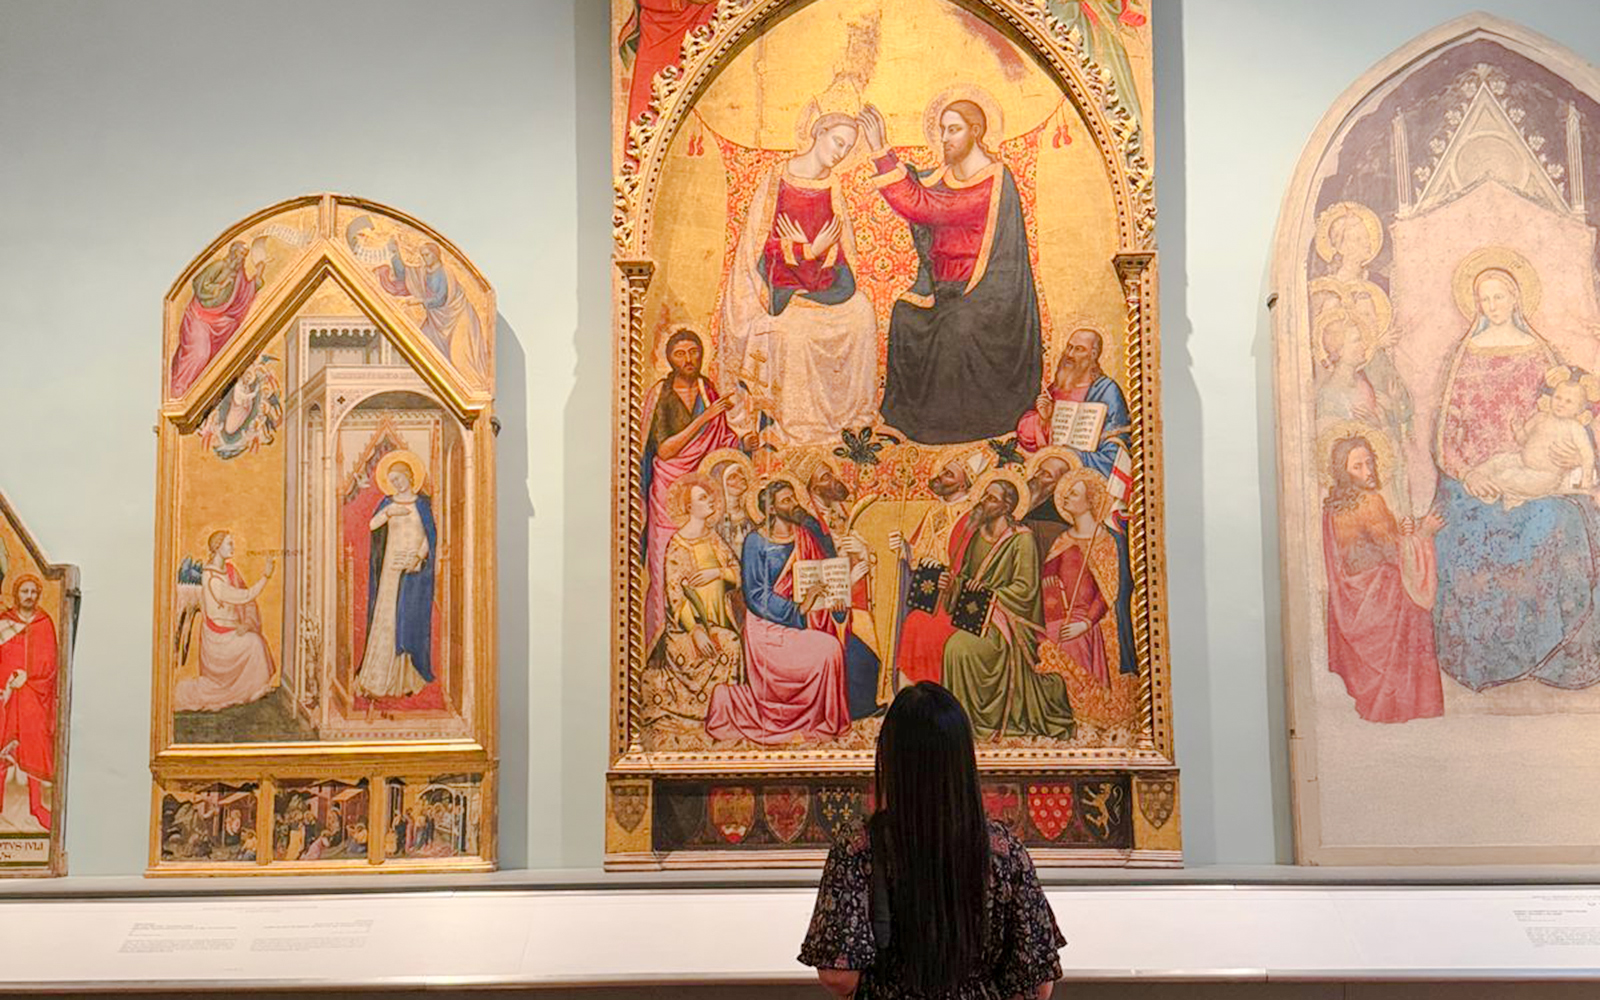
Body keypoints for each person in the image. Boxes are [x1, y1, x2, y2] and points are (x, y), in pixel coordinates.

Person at [800, 682, 1064, 1000]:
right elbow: (1038, 984)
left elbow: (838, 974)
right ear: (963, 757)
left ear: (890, 755)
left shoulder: (860, 847)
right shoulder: (1003, 849)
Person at [1430, 263, 1600, 691]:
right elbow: (1445, 435)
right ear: (1476, 304)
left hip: (1535, 473)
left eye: (1500, 296)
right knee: (1467, 528)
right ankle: (1490, 655)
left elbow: (1573, 415)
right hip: (1476, 479)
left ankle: (1555, 653)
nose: (1494, 305)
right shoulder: (1463, 353)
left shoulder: (1541, 354)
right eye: (1485, 298)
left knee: (1565, 522)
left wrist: (1569, 460)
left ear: (1517, 298)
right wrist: (1467, 473)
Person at [859, 101, 1043, 444]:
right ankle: (906, 422)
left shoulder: (993, 179)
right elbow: (921, 186)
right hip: (941, 291)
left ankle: (956, 428)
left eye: (954, 129)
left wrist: (881, 151)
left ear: (976, 131)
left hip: (986, 297)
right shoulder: (944, 175)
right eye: (942, 129)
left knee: (955, 326)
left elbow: (923, 205)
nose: (945, 138)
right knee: (905, 315)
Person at [720, 111, 878, 445]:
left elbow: (840, 245)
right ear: (818, 132)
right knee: (795, 332)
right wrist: (805, 248)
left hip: (824, 286)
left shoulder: (832, 186)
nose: (840, 153)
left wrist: (823, 253)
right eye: (837, 142)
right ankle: (801, 426)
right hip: (783, 289)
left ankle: (854, 420)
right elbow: (758, 245)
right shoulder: (778, 178)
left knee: (863, 313)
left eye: (848, 149)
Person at [705, 480, 850, 743]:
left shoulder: (806, 537)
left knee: (833, 649)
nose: (794, 504)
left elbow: (825, 581)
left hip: (802, 621)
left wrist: (837, 607)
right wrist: (797, 608)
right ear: (770, 509)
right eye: (785, 501)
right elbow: (757, 596)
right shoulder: (756, 542)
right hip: (766, 627)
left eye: (793, 498)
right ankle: (803, 720)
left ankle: (819, 721)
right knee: (828, 650)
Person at [942, 476, 1076, 740]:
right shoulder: (976, 537)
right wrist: (952, 584)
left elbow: (1025, 589)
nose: (983, 502)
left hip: (1009, 624)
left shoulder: (1021, 540)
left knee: (959, 647)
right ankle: (966, 720)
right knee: (953, 646)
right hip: (977, 616)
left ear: (1006, 507)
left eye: (991, 498)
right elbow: (966, 578)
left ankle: (985, 720)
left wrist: (992, 595)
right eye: (984, 496)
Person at [1323, 435, 1444, 723]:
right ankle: (1407, 704)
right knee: (1416, 607)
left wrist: (1404, 531)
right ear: (1344, 471)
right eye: (1358, 467)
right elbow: (1394, 552)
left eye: (1369, 462)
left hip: (1353, 596)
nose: (1368, 471)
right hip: (1379, 592)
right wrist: (1424, 532)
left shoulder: (1332, 507)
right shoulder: (1370, 501)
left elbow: (1376, 542)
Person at [642, 328, 741, 652]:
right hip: (667, 493)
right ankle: (661, 641)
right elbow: (666, 451)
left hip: (700, 493)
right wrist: (706, 418)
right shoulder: (661, 393)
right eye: (680, 353)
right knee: (665, 567)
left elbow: (720, 441)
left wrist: (743, 444)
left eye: (694, 351)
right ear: (669, 357)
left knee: (702, 566)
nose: (688, 359)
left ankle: (705, 636)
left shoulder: (706, 389)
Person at [887, 448, 987, 685]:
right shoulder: (935, 510)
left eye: (950, 475)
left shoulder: (974, 516)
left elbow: (977, 565)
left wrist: (952, 581)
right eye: (943, 471)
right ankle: (908, 697)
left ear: (964, 485)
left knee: (928, 630)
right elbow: (917, 553)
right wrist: (903, 548)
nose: (941, 476)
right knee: (913, 624)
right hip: (930, 595)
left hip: (957, 600)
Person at [356, 450, 437, 700]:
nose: (396, 483)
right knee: (387, 617)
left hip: (412, 571)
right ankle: (377, 677)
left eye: (399, 478)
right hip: (391, 568)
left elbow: (429, 537)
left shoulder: (422, 505)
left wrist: (418, 558)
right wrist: (388, 513)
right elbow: (371, 525)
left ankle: (405, 679)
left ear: (410, 477)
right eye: (392, 480)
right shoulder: (388, 503)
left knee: (407, 619)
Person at [1464, 366, 1599, 509]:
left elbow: (1587, 455)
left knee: (1510, 476)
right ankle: (1477, 476)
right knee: (1499, 460)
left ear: (1580, 408)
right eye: (1558, 397)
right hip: (1522, 460)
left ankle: (1491, 491)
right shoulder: (1540, 417)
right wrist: (1518, 430)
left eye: (1568, 401)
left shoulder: (1575, 428)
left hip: (1547, 475)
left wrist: (1586, 482)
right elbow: (1524, 441)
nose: (1561, 403)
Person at [173, 532, 276, 713]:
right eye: (229, 544)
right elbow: (244, 597)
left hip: (227, 631)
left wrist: (245, 624)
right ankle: (246, 690)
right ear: (218, 548)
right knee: (254, 644)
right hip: (218, 640)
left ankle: (252, 689)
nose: (233, 547)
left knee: (255, 641)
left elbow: (245, 601)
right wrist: (265, 576)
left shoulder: (228, 570)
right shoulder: (212, 579)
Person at [375, 238, 488, 382]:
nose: (424, 258)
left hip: (457, 317)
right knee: (421, 348)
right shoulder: (423, 272)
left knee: (459, 358)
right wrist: (395, 254)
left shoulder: (445, 273)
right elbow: (404, 275)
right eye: (422, 255)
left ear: (435, 255)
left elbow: (441, 299)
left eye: (427, 254)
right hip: (436, 321)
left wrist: (418, 301)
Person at [170, 240, 264, 397]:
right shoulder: (219, 266)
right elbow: (198, 284)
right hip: (199, 317)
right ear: (232, 252)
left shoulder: (239, 275)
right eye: (240, 253)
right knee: (199, 354)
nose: (241, 258)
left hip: (217, 321)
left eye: (244, 255)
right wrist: (219, 287)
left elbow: (244, 294)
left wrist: (259, 274)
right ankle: (181, 389)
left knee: (233, 327)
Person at [0, 576, 56, 829]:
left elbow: (52, 665)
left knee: (33, 750)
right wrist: (7, 683)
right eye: (25, 591)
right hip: (6, 697)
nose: (29, 596)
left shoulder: (45, 624)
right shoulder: (4, 624)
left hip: (33, 697)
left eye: (34, 591)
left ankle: (36, 807)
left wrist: (29, 677)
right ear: (16, 593)